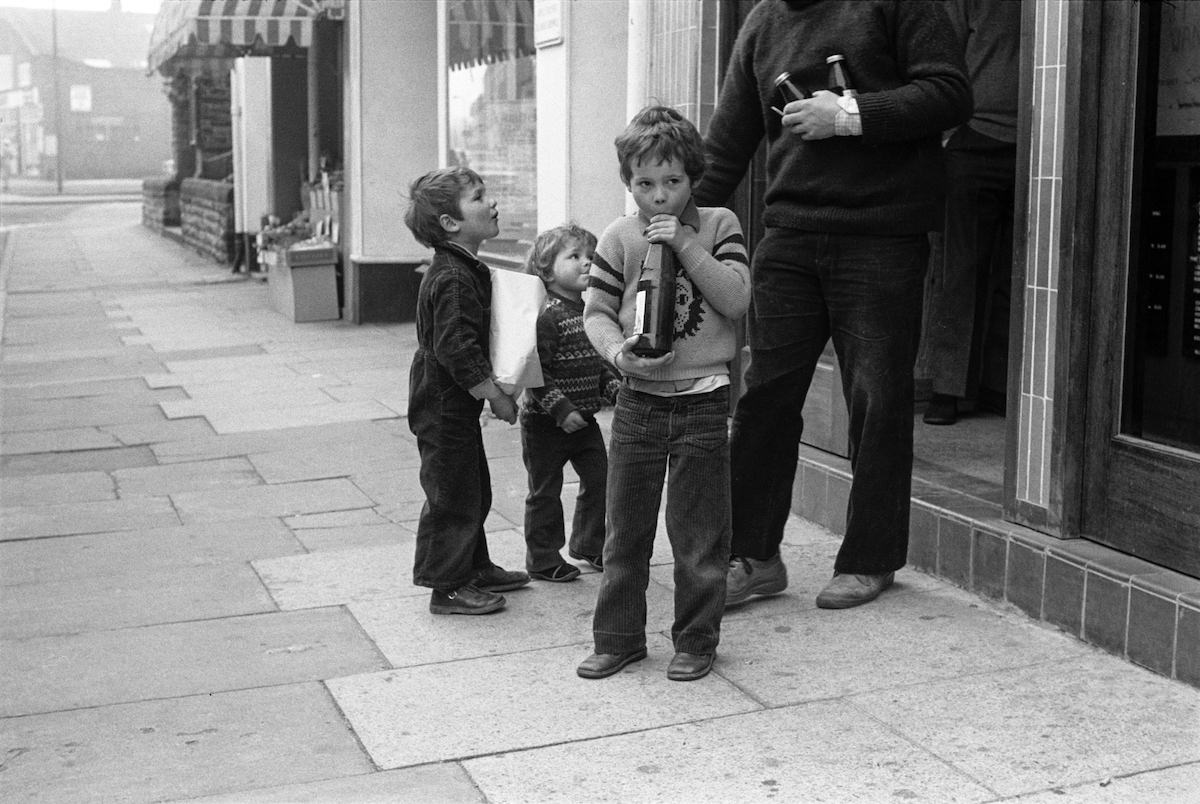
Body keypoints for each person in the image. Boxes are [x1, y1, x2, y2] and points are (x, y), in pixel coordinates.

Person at [692, 1, 972, 610]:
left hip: (883, 234)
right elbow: (726, 145)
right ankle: (754, 556)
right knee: (765, 396)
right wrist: (668, 231)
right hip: (788, 234)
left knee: (877, 398)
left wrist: (848, 113)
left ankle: (871, 559)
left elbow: (950, 94)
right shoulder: (764, 22)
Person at [578, 106, 750, 682]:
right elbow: (597, 313)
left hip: (703, 399)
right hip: (639, 403)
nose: (658, 197)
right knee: (624, 529)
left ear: (692, 178)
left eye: (672, 183)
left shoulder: (719, 224)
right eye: (645, 184)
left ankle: (696, 639)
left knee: (700, 534)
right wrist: (616, 354)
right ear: (628, 182)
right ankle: (618, 638)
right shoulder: (618, 237)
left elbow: (735, 299)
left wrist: (686, 244)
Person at [404, 166, 530, 615]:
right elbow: (456, 348)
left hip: (450, 401)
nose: (492, 203)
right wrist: (494, 395)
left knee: (471, 486)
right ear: (450, 223)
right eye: (479, 197)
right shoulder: (452, 277)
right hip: (441, 402)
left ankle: (473, 565)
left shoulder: (461, 267)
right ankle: (448, 585)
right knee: (451, 494)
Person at [921, 0, 1020, 426]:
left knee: (1021, 273)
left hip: (1040, 139)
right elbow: (941, 61)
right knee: (958, 268)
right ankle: (946, 389)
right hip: (973, 137)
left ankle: (1000, 386)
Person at [519, 223, 620, 582]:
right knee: (545, 490)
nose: (586, 264)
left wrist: (616, 393)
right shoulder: (547, 316)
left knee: (600, 478)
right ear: (546, 269)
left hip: (585, 421)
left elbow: (598, 367)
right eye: (574, 256)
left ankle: (588, 543)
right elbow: (535, 375)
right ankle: (543, 559)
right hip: (546, 424)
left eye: (591, 257)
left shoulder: (590, 313)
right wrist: (561, 409)